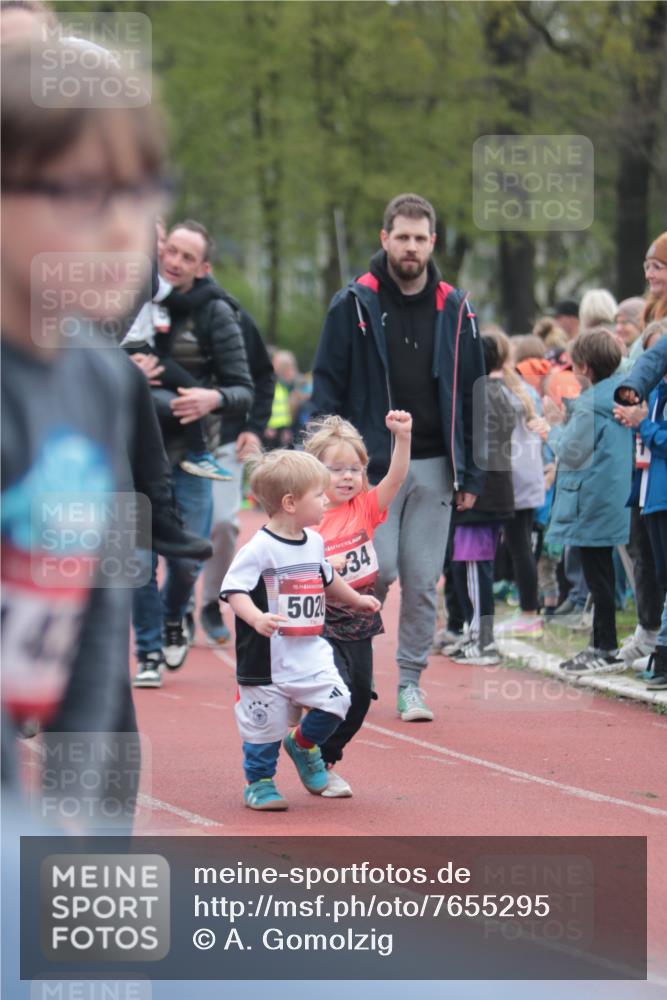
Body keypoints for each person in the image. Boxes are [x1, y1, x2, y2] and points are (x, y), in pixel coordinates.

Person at [1, 37, 165, 817]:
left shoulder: (100, 378)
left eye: (141, 192)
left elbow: (98, 639)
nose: (125, 227)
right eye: (83, 192)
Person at [312, 192, 486, 722]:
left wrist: (474, 468)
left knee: (422, 577)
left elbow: (478, 390)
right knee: (375, 569)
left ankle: (410, 681)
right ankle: (343, 664)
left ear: (432, 243)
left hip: (436, 463)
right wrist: (319, 460)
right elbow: (326, 383)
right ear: (384, 239)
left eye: (420, 238)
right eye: (401, 237)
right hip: (370, 469)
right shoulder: (354, 302)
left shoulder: (456, 307)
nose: (410, 247)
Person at [220, 450, 381, 811]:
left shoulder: (314, 542)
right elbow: (234, 590)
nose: (327, 501)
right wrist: (256, 617)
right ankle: (259, 781)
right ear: (291, 503)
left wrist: (356, 600)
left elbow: (326, 577)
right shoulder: (259, 549)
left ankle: (303, 743)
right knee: (264, 728)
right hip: (267, 659)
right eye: (319, 495)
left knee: (339, 698)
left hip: (308, 650)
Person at [131, 220, 254, 687]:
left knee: (186, 560)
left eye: (186, 256)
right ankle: (148, 651)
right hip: (130, 448)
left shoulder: (216, 312)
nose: (174, 261)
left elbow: (245, 386)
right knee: (137, 559)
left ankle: (172, 616)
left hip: (190, 452)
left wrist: (211, 399)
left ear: (202, 267)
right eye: (169, 250)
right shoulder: (127, 294)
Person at [303, 409, 411, 793]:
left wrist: (403, 437)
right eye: (336, 470)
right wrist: (320, 566)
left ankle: (325, 753)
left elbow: (396, 477)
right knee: (339, 689)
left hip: (359, 612)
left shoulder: (365, 507)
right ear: (314, 474)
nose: (347, 477)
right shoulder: (307, 517)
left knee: (361, 695)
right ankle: (311, 751)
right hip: (317, 617)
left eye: (355, 469)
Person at [543, 331, 633, 674]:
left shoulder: (591, 404)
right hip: (611, 496)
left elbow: (570, 451)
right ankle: (602, 644)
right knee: (603, 574)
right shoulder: (621, 395)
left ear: (584, 367)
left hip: (591, 498)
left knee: (598, 576)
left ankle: (603, 646)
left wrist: (551, 428)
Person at [198, 278, 276, 644]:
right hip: (168, 438)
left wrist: (255, 427)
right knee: (174, 528)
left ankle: (211, 602)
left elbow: (263, 374)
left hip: (225, 438)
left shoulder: (234, 316)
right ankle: (174, 610)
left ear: (205, 267)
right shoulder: (152, 314)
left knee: (223, 523)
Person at [443, 335, 516, 664]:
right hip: (488, 493)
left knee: (474, 568)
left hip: (483, 495)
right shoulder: (495, 392)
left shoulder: (482, 394)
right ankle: (475, 633)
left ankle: (483, 640)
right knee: (466, 568)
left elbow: (480, 446)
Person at [486, 329, 546, 639]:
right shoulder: (522, 388)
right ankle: (529, 610)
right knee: (521, 543)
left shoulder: (493, 389)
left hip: (509, 475)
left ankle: (529, 612)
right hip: (529, 472)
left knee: (518, 545)